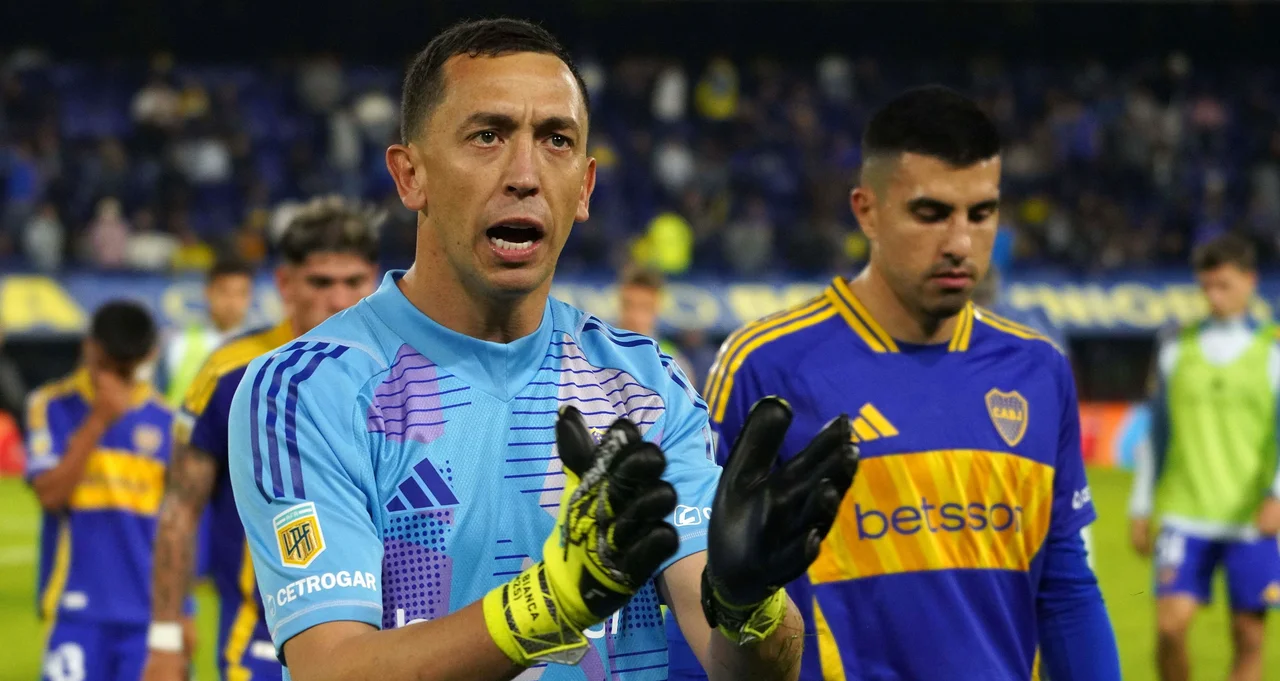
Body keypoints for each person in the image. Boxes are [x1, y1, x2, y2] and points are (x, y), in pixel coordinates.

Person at [227, 18, 856, 681]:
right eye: (487, 135)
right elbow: (332, 669)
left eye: (557, 140)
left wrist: (749, 604)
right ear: (411, 177)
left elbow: (742, 670)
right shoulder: (306, 389)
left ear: (584, 188)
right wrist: (549, 603)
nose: (524, 174)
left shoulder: (645, 386)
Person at [669, 85, 1121, 681]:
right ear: (867, 211)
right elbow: (706, 586)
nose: (960, 243)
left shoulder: (1039, 370)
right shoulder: (766, 366)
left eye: (981, 213)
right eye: (930, 213)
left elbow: (1064, 586)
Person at [141, 196, 381, 681]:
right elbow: (180, 506)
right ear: (285, 283)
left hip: (389, 633)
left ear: (375, 279)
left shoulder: (403, 369)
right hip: (262, 639)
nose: (339, 299)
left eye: (353, 281)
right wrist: (165, 635)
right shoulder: (230, 373)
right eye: (321, 282)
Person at [1128, 234, 1280, 681]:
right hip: (1185, 513)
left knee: (1248, 637)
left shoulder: (1272, 352)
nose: (1214, 296)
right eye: (1207, 286)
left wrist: (1277, 495)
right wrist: (1140, 506)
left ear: (1250, 281)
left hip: (1251, 518)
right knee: (1170, 629)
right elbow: (1156, 435)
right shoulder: (1176, 348)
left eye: (1224, 285)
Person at [25, 301, 174, 681]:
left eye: (127, 368)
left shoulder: (168, 422)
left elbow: (176, 528)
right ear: (89, 348)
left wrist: (180, 615)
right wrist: (99, 421)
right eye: (108, 365)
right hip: (76, 611)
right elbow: (50, 495)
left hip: (147, 617)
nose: (116, 379)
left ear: (149, 356)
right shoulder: (51, 405)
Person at [154, 254, 255, 407]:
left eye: (241, 293)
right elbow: (156, 401)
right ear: (208, 292)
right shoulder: (179, 343)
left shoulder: (265, 351)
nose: (232, 302)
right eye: (224, 292)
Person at [616, 263, 698, 385]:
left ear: (657, 308)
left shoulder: (674, 365)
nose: (634, 316)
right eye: (628, 305)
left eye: (644, 307)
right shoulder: (597, 351)